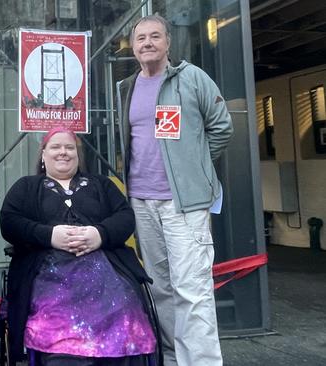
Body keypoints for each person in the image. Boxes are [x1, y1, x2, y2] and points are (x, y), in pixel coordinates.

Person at [117, 14, 234, 366]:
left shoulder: (192, 78)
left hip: (184, 205)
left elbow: (222, 128)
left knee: (192, 290)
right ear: (133, 47)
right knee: (160, 289)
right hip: (141, 201)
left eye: (155, 36)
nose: (148, 43)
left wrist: (194, 170)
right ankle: (171, 358)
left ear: (168, 42)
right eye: (141, 38)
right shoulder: (127, 87)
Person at [0, 127, 157, 366]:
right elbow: (9, 223)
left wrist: (99, 234)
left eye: (69, 147)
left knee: (124, 307)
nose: (63, 152)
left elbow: (125, 217)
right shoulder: (27, 187)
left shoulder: (100, 184)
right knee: (57, 321)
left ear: (77, 155)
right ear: (43, 154)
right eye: (55, 147)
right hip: (49, 278)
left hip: (105, 275)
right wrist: (49, 235)